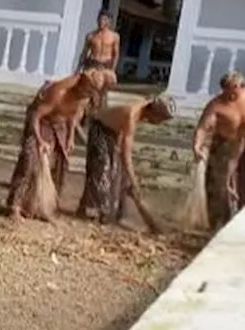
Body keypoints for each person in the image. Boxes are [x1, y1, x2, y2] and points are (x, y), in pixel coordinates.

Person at [6, 69, 108, 220]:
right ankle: (15, 205)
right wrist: (40, 140)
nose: (88, 94)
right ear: (82, 84)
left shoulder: (84, 98)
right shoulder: (59, 92)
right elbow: (36, 116)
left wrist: (70, 138)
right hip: (41, 121)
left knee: (61, 163)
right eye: (88, 90)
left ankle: (44, 207)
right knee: (30, 158)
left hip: (60, 123)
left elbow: (72, 117)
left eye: (91, 92)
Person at [75, 94, 177, 231]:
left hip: (113, 132)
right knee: (103, 169)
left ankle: (105, 211)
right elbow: (126, 153)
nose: (159, 122)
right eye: (160, 119)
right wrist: (134, 180)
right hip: (100, 129)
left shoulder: (143, 107)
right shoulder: (132, 115)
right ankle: (95, 211)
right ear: (154, 113)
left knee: (117, 173)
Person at [192, 71, 245, 229]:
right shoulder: (216, 105)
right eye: (227, 92)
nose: (231, 97)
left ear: (242, 87)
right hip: (225, 145)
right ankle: (218, 222)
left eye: (234, 93)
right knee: (219, 185)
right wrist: (197, 146)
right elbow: (202, 127)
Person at [79, 10, 121, 110]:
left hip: (106, 67)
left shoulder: (114, 36)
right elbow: (84, 52)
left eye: (103, 19)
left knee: (104, 92)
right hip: (92, 65)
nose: (100, 22)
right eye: (99, 19)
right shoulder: (91, 36)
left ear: (108, 21)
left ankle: (102, 113)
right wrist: (79, 66)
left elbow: (116, 54)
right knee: (86, 89)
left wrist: (112, 70)